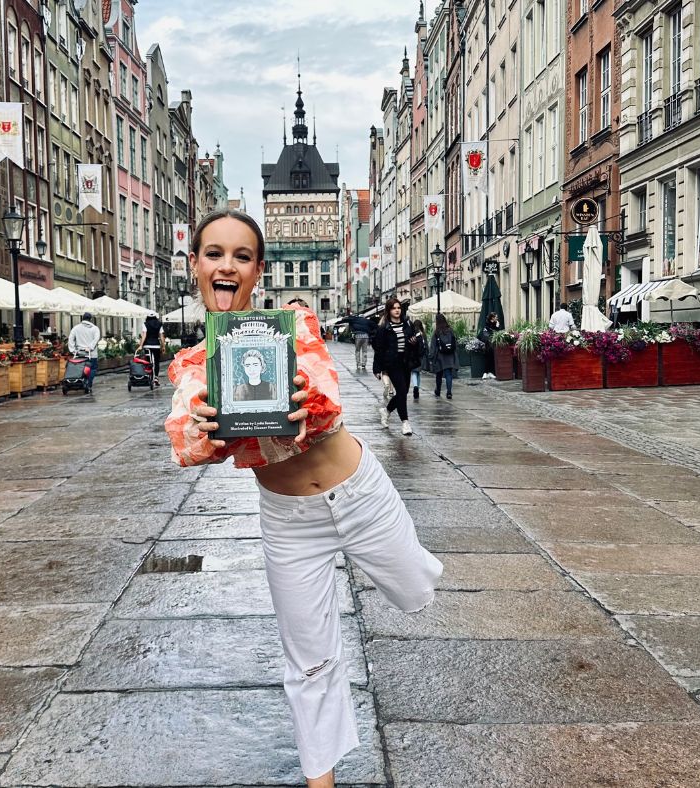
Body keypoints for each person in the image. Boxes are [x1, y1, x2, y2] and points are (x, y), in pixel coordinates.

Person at [164, 210, 441, 788]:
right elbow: (188, 445)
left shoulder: (293, 323)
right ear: (195, 265)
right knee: (309, 658)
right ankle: (323, 781)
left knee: (416, 589)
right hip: (290, 522)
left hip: (359, 492)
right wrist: (207, 428)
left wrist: (303, 398)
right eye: (214, 254)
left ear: (258, 271)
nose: (227, 265)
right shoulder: (193, 366)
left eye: (242, 256)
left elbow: (327, 394)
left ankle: (415, 561)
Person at [372, 298, 417, 435]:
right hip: (392, 363)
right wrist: (377, 368)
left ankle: (386, 411)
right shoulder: (384, 328)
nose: (397, 310)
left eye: (398, 308)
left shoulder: (407, 324)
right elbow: (379, 348)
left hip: (406, 362)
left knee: (403, 392)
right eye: (394, 308)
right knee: (402, 391)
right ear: (389, 310)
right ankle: (405, 423)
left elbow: (412, 341)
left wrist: (414, 342)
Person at [68, 312, 101, 394]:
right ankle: (88, 384)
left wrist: (72, 350)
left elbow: (70, 339)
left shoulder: (76, 328)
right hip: (91, 354)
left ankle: (80, 383)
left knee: (80, 369)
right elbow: (96, 339)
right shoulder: (95, 328)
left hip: (79, 353)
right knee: (92, 369)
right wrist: (90, 348)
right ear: (90, 319)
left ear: (82, 318)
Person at [429, 313, 459, 399]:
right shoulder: (451, 330)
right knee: (448, 374)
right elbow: (455, 343)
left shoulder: (436, 332)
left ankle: (438, 390)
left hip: (440, 357)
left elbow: (433, 346)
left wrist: (431, 357)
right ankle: (449, 392)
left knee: (439, 375)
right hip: (450, 356)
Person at [136, 312, 166, 384]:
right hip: (156, 345)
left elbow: (144, 335)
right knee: (156, 362)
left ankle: (150, 376)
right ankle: (156, 377)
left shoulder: (145, 324)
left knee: (148, 362)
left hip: (147, 345)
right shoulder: (159, 324)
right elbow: (161, 336)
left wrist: (141, 345)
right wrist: (163, 346)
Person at [478, 312, 500, 380]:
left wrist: (497, 326)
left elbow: (497, 333)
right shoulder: (487, 324)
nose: (497, 318)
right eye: (496, 317)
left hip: (492, 344)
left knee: (492, 358)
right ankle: (485, 373)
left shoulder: (495, 324)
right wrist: (496, 327)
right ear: (492, 318)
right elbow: (487, 334)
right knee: (487, 358)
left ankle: (490, 372)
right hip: (487, 345)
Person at [410, 319, 428, 399]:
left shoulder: (412, 333)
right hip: (421, 356)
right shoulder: (423, 334)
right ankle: (417, 388)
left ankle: (415, 386)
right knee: (418, 372)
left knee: (414, 372)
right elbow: (426, 346)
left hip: (413, 356)